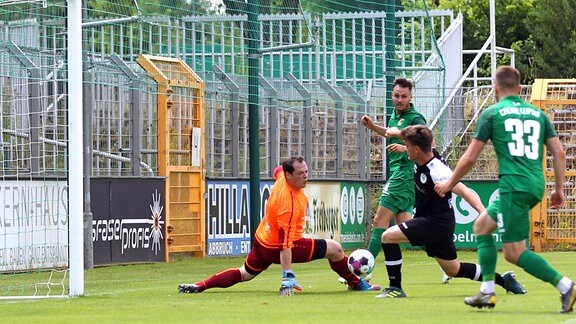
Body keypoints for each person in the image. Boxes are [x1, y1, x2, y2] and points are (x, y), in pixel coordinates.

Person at [435, 66, 576, 313]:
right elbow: (560, 152)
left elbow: (469, 158)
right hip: (534, 184)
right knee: (482, 226)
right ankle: (487, 291)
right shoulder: (537, 114)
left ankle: (566, 286)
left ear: (495, 89)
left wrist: (449, 183)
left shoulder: (492, 114)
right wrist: (560, 189)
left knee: (514, 252)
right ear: (520, 89)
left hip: (513, 185)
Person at [178, 156, 381, 296]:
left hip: (262, 241)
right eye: (300, 173)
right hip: (276, 247)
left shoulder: (281, 177)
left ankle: (200, 285)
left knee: (244, 274)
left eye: (306, 171)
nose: (305, 176)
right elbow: (286, 245)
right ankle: (357, 284)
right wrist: (287, 277)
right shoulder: (289, 205)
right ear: (289, 175)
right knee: (335, 249)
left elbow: (277, 169)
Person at [374, 125, 527, 299]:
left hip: (435, 222)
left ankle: (395, 287)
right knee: (453, 269)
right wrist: (391, 131)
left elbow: (465, 191)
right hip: (437, 221)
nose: (405, 148)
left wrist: (483, 212)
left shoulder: (438, 171)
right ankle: (503, 280)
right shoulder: (423, 153)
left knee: (387, 236)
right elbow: (404, 133)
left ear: (416, 149)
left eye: (407, 146)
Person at [359, 78, 426, 297]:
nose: (399, 99)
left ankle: (363, 271)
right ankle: (443, 252)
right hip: (399, 176)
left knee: (380, 220)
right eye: (396, 95)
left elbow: (427, 145)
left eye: (403, 96)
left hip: (404, 175)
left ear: (411, 97)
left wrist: (406, 148)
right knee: (406, 231)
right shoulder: (396, 115)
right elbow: (390, 132)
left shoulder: (415, 118)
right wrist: (373, 127)